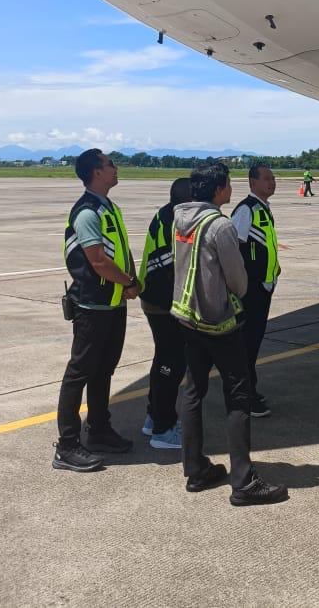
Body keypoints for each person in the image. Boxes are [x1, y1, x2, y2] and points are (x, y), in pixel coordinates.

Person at [172, 162, 288, 505]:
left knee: (193, 391)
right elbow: (238, 279)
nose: (231, 189)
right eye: (228, 184)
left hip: (188, 315)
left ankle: (195, 469)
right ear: (219, 188)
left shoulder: (180, 218)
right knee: (238, 394)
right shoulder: (220, 225)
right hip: (218, 320)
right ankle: (243, 480)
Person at [54, 149, 139, 472]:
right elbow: (99, 261)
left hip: (113, 303)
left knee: (104, 369)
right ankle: (67, 445)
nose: (116, 168)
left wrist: (131, 280)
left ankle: (99, 429)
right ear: (96, 172)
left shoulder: (109, 208)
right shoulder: (87, 212)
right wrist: (129, 281)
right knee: (79, 373)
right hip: (92, 305)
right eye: (110, 164)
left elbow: (121, 250)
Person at [138, 177, 192, 450]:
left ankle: (154, 416)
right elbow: (175, 267)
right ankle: (163, 429)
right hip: (163, 302)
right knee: (171, 363)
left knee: (164, 359)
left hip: (154, 298)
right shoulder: (176, 222)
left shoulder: (165, 214)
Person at [231, 162, 280, 418]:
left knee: (254, 341)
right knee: (247, 343)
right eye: (266, 179)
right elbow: (234, 248)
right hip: (251, 289)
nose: (272, 183)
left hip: (263, 287)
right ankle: (244, 396)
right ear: (252, 183)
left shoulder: (263, 209)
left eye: (273, 178)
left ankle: (250, 388)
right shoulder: (246, 210)